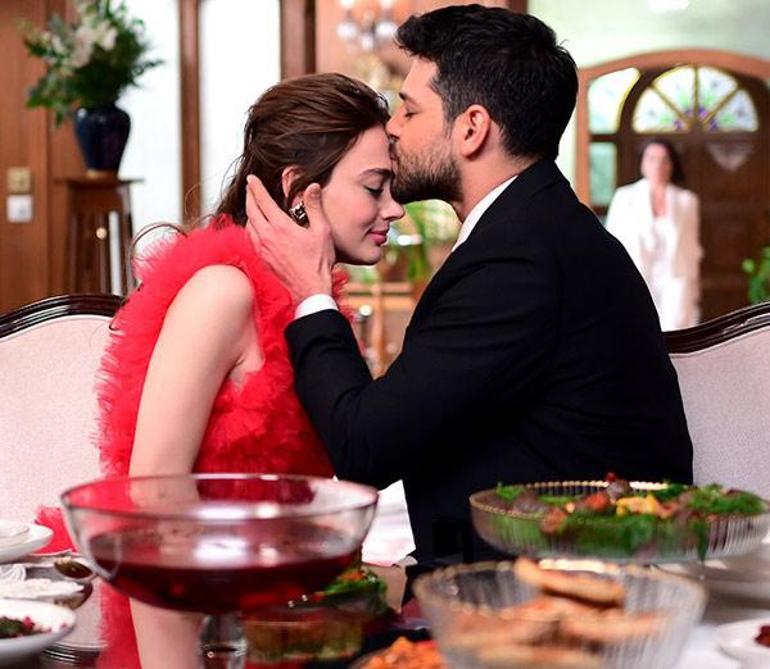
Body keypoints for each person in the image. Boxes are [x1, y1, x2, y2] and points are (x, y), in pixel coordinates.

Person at [246, 5, 694, 567]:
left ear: (472, 128)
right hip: (525, 565)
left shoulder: (519, 258)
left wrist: (312, 290)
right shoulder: (538, 228)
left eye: (410, 110)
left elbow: (364, 446)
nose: (393, 128)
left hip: (564, 594)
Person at [43, 73, 403, 669]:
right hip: (204, 630)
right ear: (299, 190)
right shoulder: (223, 291)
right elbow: (150, 500)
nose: (394, 208)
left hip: (280, 622)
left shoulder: (310, 301)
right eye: (374, 187)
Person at [605, 138, 703, 330]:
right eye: (652, 159)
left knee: (676, 336)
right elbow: (610, 246)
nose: (658, 165)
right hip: (636, 280)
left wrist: (693, 290)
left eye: (664, 160)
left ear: (672, 165)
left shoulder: (687, 201)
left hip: (675, 284)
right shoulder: (625, 197)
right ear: (643, 163)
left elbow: (692, 249)